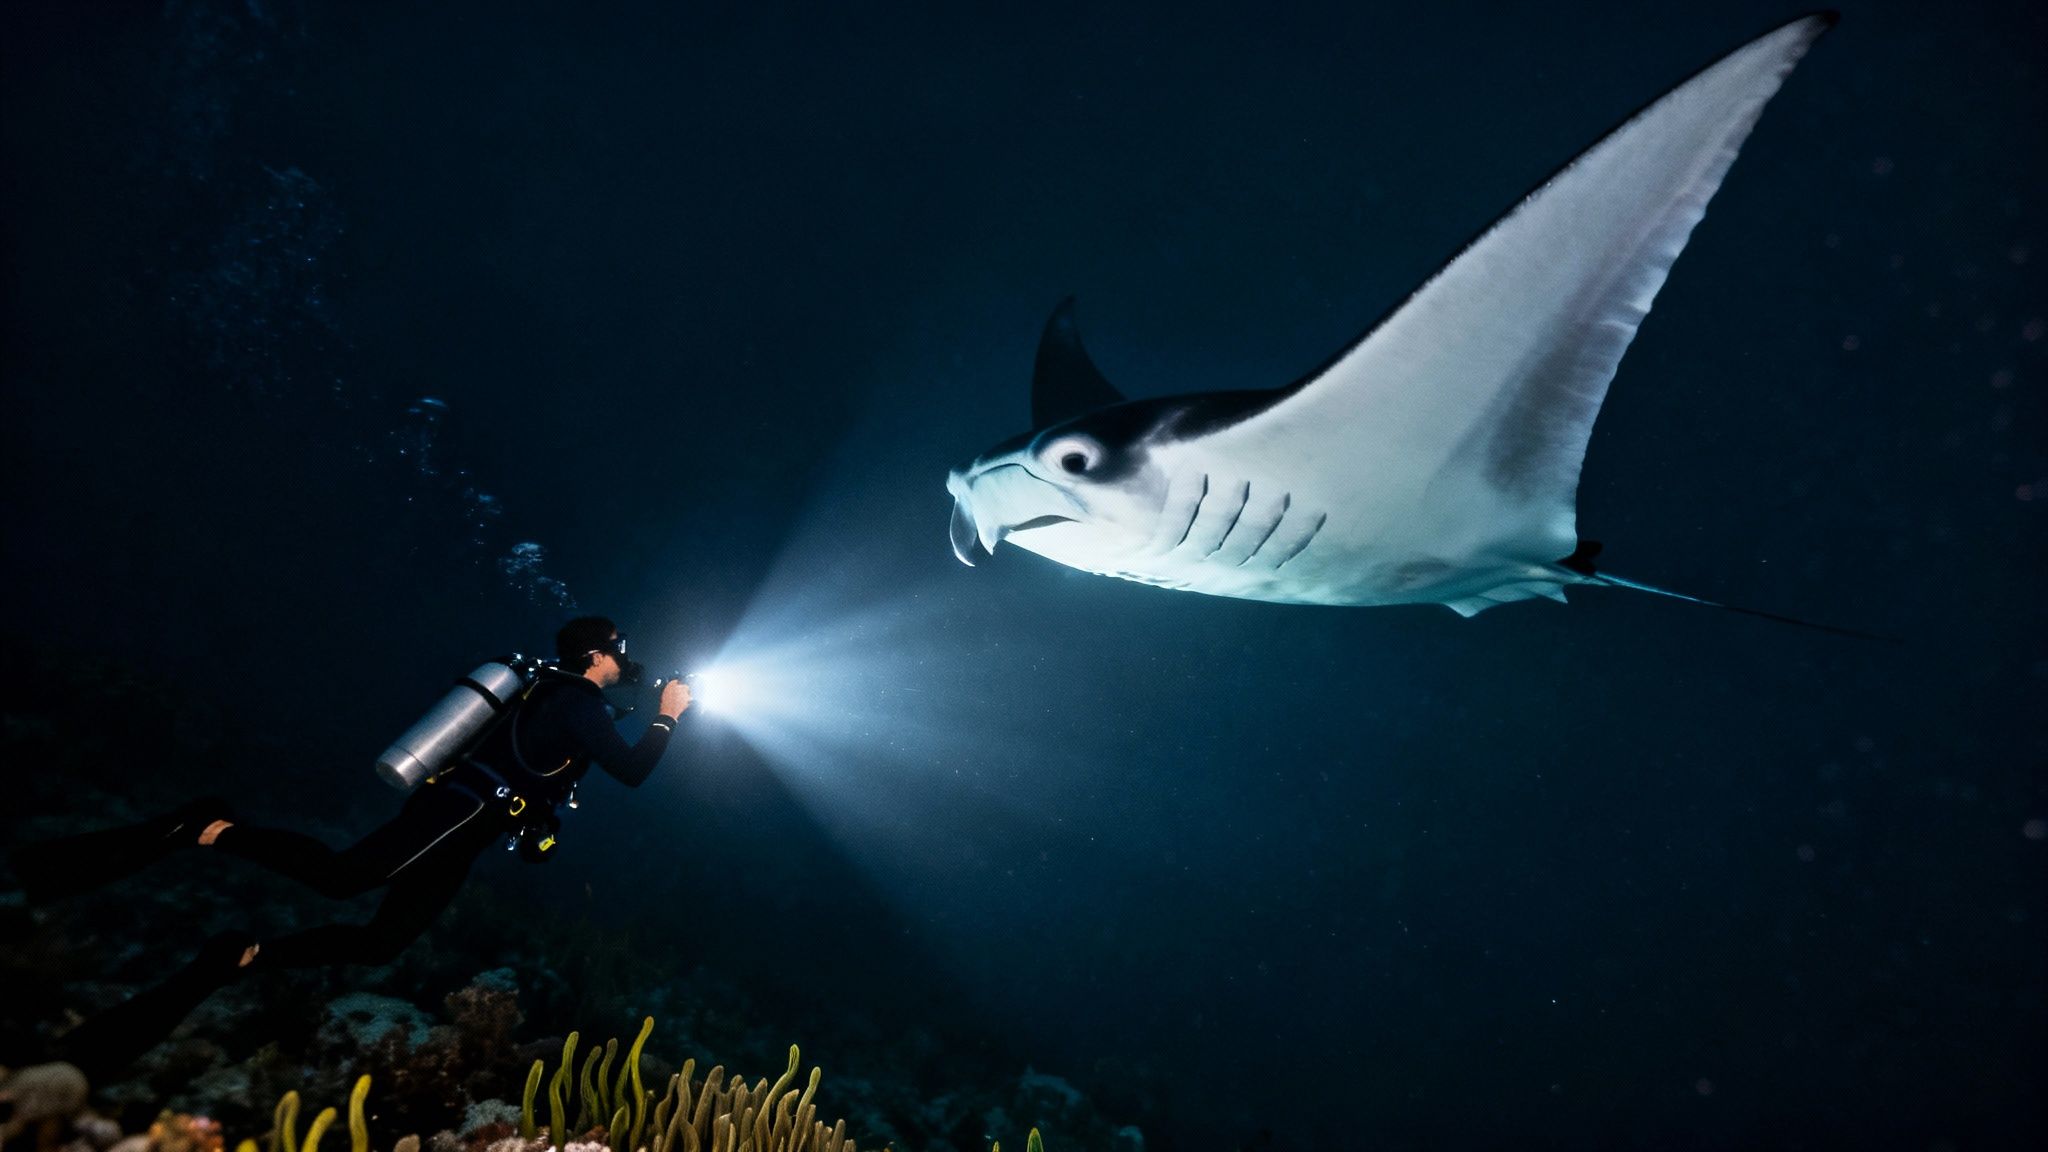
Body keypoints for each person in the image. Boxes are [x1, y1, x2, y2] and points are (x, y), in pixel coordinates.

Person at [6, 616, 689, 1083]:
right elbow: (631, 771)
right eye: (617, 649)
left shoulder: (563, 700)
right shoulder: (575, 700)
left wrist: (541, 828)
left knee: (381, 942)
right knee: (342, 878)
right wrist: (668, 715)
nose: (625, 659)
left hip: (467, 826)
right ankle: (210, 829)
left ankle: (250, 956)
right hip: (459, 811)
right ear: (598, 652)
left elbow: (544, 782)